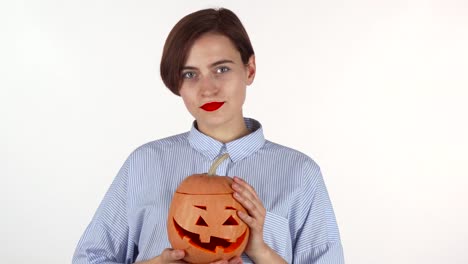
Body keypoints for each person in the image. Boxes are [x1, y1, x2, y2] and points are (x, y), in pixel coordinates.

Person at [73, 7, 345, 264]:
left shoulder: (300, 173)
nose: (207, 89)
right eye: (190, 74)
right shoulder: (143, 163)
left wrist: (261, 252)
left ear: (249, 69)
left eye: (221, 69)